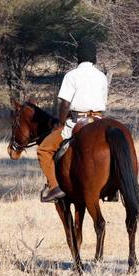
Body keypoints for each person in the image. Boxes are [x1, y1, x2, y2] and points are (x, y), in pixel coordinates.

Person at [37, 39, 108, 203]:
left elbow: (65, 104)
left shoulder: (71, 75)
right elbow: (103, 101)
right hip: (98, 119)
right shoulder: (101, 77)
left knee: (43, 150)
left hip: (78, 121)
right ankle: (112, 190)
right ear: (94, 58)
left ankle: (54, 187)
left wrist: (61, 124)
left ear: (78, 57)